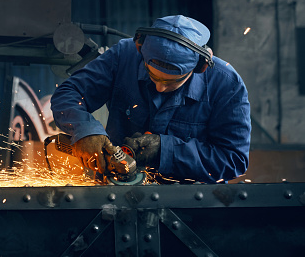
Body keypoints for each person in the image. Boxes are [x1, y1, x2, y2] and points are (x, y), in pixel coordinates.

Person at [50, 15, 251, 183]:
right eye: (152, 75)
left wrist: (166, 150)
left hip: (192, 203)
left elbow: (234, 160)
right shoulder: (124, 56)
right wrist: (85, 131)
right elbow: (69, 92)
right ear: (140, 49)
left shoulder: (226, 84)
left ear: (199, 68)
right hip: (116, 190)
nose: (159, 87)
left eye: (171, 82)